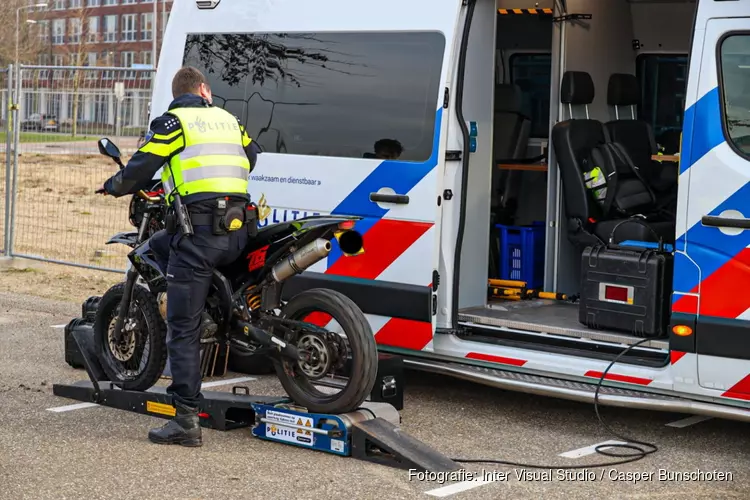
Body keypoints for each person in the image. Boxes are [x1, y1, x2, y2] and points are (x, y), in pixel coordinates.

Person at [99, 66, 262, 447]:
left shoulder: (173, 123)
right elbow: (251, 158)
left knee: (182, 326)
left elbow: (139, 168)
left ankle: (186, 421)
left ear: (177, 94)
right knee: (158, 244)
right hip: (238, 230)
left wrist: (112, 186)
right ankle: (213, 309)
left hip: (201, 234)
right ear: (204, 89)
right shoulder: (228, 119)